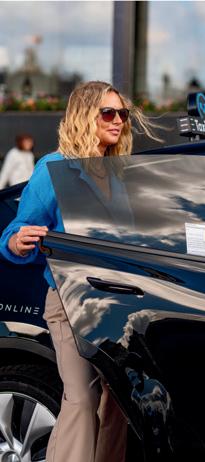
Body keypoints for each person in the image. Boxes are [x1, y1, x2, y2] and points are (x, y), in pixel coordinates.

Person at [0, 81, 162, 462]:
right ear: (84, 115)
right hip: (69, 302)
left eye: (122, 114)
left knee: (118, 400)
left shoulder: (120, 174)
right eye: (108, 113)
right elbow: (15, 231)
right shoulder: (54, 168)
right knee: (82, 397)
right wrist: (18, 241)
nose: (118, 120)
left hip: (115, 302)